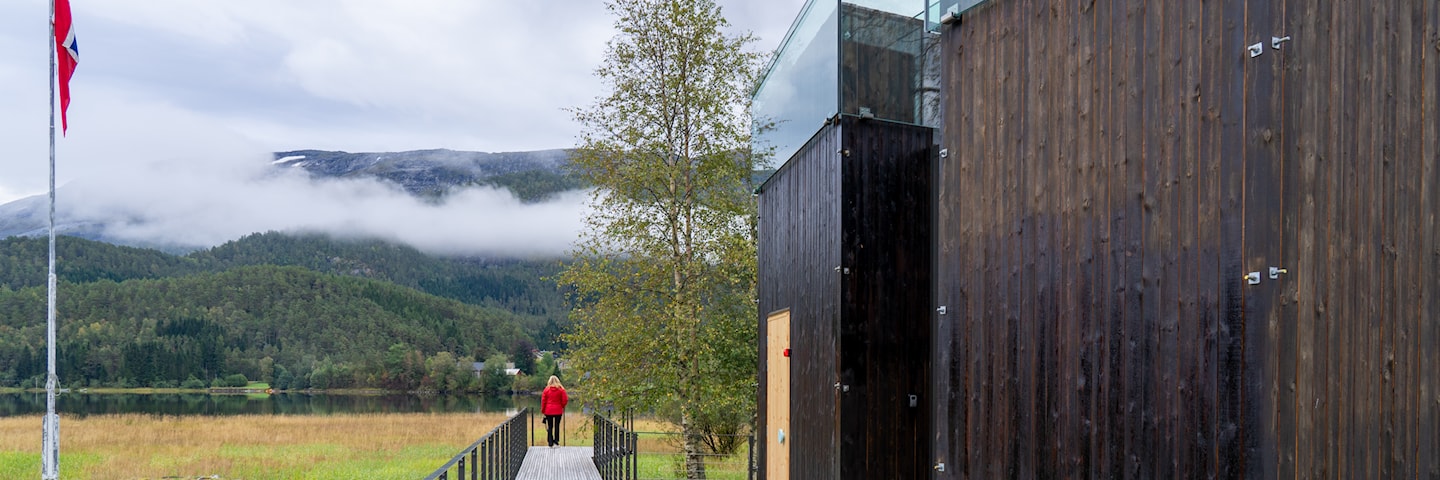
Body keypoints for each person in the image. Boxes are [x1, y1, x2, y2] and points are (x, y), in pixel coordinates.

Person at [540, 375, 568, 447]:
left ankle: (550, 442)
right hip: (558, 410)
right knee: (557, 426)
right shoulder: (561, 390)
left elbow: (543, 401)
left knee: (550, 426)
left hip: (548, 410)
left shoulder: (546, 390)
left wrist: (543, 410)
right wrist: (562, 406)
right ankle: (556, 441)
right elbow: (565, 400)